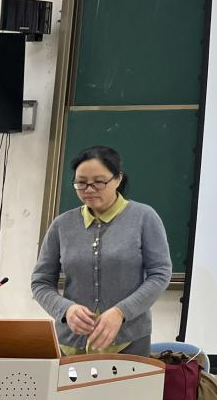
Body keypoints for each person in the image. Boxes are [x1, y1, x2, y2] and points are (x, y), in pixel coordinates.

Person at [32, 145, 172, 357]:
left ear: (118, 179)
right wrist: (65, 309)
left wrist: (121, 312)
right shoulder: (62, 225)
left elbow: (160, 274)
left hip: (129, 341)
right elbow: (40, 282)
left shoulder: (144, 217)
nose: (88, 189)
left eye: (98, 182)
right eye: (81, 183)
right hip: (71, 343)